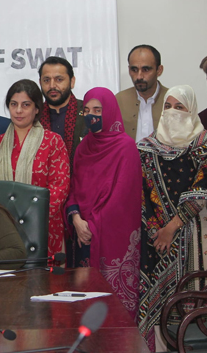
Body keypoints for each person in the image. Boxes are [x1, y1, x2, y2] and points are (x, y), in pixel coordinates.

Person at [136, 85, 207, 351]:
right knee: (158, 310)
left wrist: (172, 227)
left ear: (192, 110)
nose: (172, 112)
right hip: (155, 239)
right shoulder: (146, 147)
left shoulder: (204, 143)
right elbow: (141, 195)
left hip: (194, 234)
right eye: (168, 107)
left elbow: (201, 189)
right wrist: (155, 231)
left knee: (194, 302)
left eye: (180, 107)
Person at [65, 87, 141, 318]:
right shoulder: (83, 147)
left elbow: (122, 199)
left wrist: (92, 225)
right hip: (82, 236)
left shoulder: (125, 147)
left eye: (97, 110)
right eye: (86, 110)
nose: (91, 116)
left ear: (109, 111)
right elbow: (74, 190)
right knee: (84, 305)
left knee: (113, 310)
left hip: (109, 236)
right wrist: (76, 219)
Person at [0, 79, 70, 256]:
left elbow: (59, 188)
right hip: (2, 231)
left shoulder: (53, 142)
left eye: (25, 105)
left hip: (43, 228)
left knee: (44, 282)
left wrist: (28, 218)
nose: (18, 110)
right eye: (14, 104)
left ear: (37, 109)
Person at [38, 56, 86, 169]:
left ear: (72, 81)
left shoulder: (87, 113)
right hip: (43, 185)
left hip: (82, 183)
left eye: (59, 79)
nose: (52, 86)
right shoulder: (33, 117)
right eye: (46, 80)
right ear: (40, 82)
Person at [116, 45, 169, 141]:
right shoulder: (119, 101)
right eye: (134, 70)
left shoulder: (172, 100)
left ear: (159, 70)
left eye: (146, 70)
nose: (139, 76)